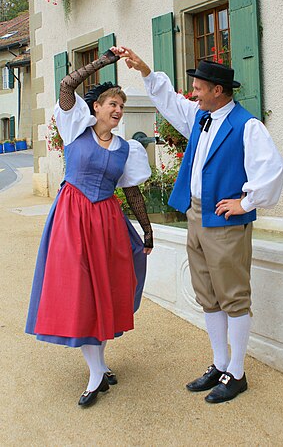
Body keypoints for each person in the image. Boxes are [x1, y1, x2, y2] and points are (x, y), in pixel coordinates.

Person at [112, 46, 283, 403]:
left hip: (224, 221)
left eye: (199, 87)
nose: (193, 92)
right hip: (196, 214)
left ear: (217, 91)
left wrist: (246, 202)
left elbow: (272, 169)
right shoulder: (201, 117)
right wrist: (145, 70)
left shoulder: (247, 125)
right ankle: (220, 364)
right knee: (207, 294)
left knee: (233, 296)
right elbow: (169, 101)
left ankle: (236, 373)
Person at [25, 49, 153, 407]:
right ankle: (96, 374)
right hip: (72, 218)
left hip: (108, 222)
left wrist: (147, 229)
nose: (117, 110)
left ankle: (100, 364)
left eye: (121, 106)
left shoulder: (127, 149)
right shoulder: (73, 128)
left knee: (106, 292)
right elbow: (67, 85)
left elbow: (132, 191)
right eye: (112, 103)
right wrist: (100, 64)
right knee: (80, 291)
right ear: (95, 107)